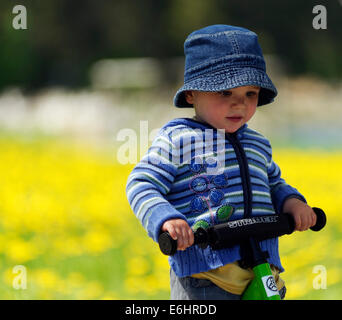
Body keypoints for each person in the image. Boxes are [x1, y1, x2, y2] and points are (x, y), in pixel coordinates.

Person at [126, 24, 317, 300]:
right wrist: (165, 219)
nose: (239, 104)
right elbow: (141, 184)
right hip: (205, 276)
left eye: (250, 94)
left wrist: (293, 203)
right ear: (192, 94)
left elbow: (274, 183)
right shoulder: (178, 139)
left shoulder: (258, 143)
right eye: (225, 93)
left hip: (262, 269)